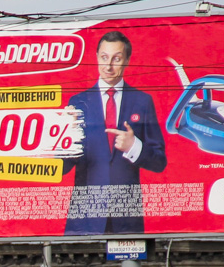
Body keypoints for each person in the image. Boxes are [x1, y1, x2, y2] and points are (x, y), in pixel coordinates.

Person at [63, 30, 167, 235]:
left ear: (127, 60)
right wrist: (68, 138)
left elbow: (159, 162)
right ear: (96, 58)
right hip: (86, 219)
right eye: (104, 58)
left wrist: (134, 147)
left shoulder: (142, 101)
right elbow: (62, 168)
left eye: (116, 59)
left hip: (126, 218)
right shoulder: (77, 103)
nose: (108, 66)